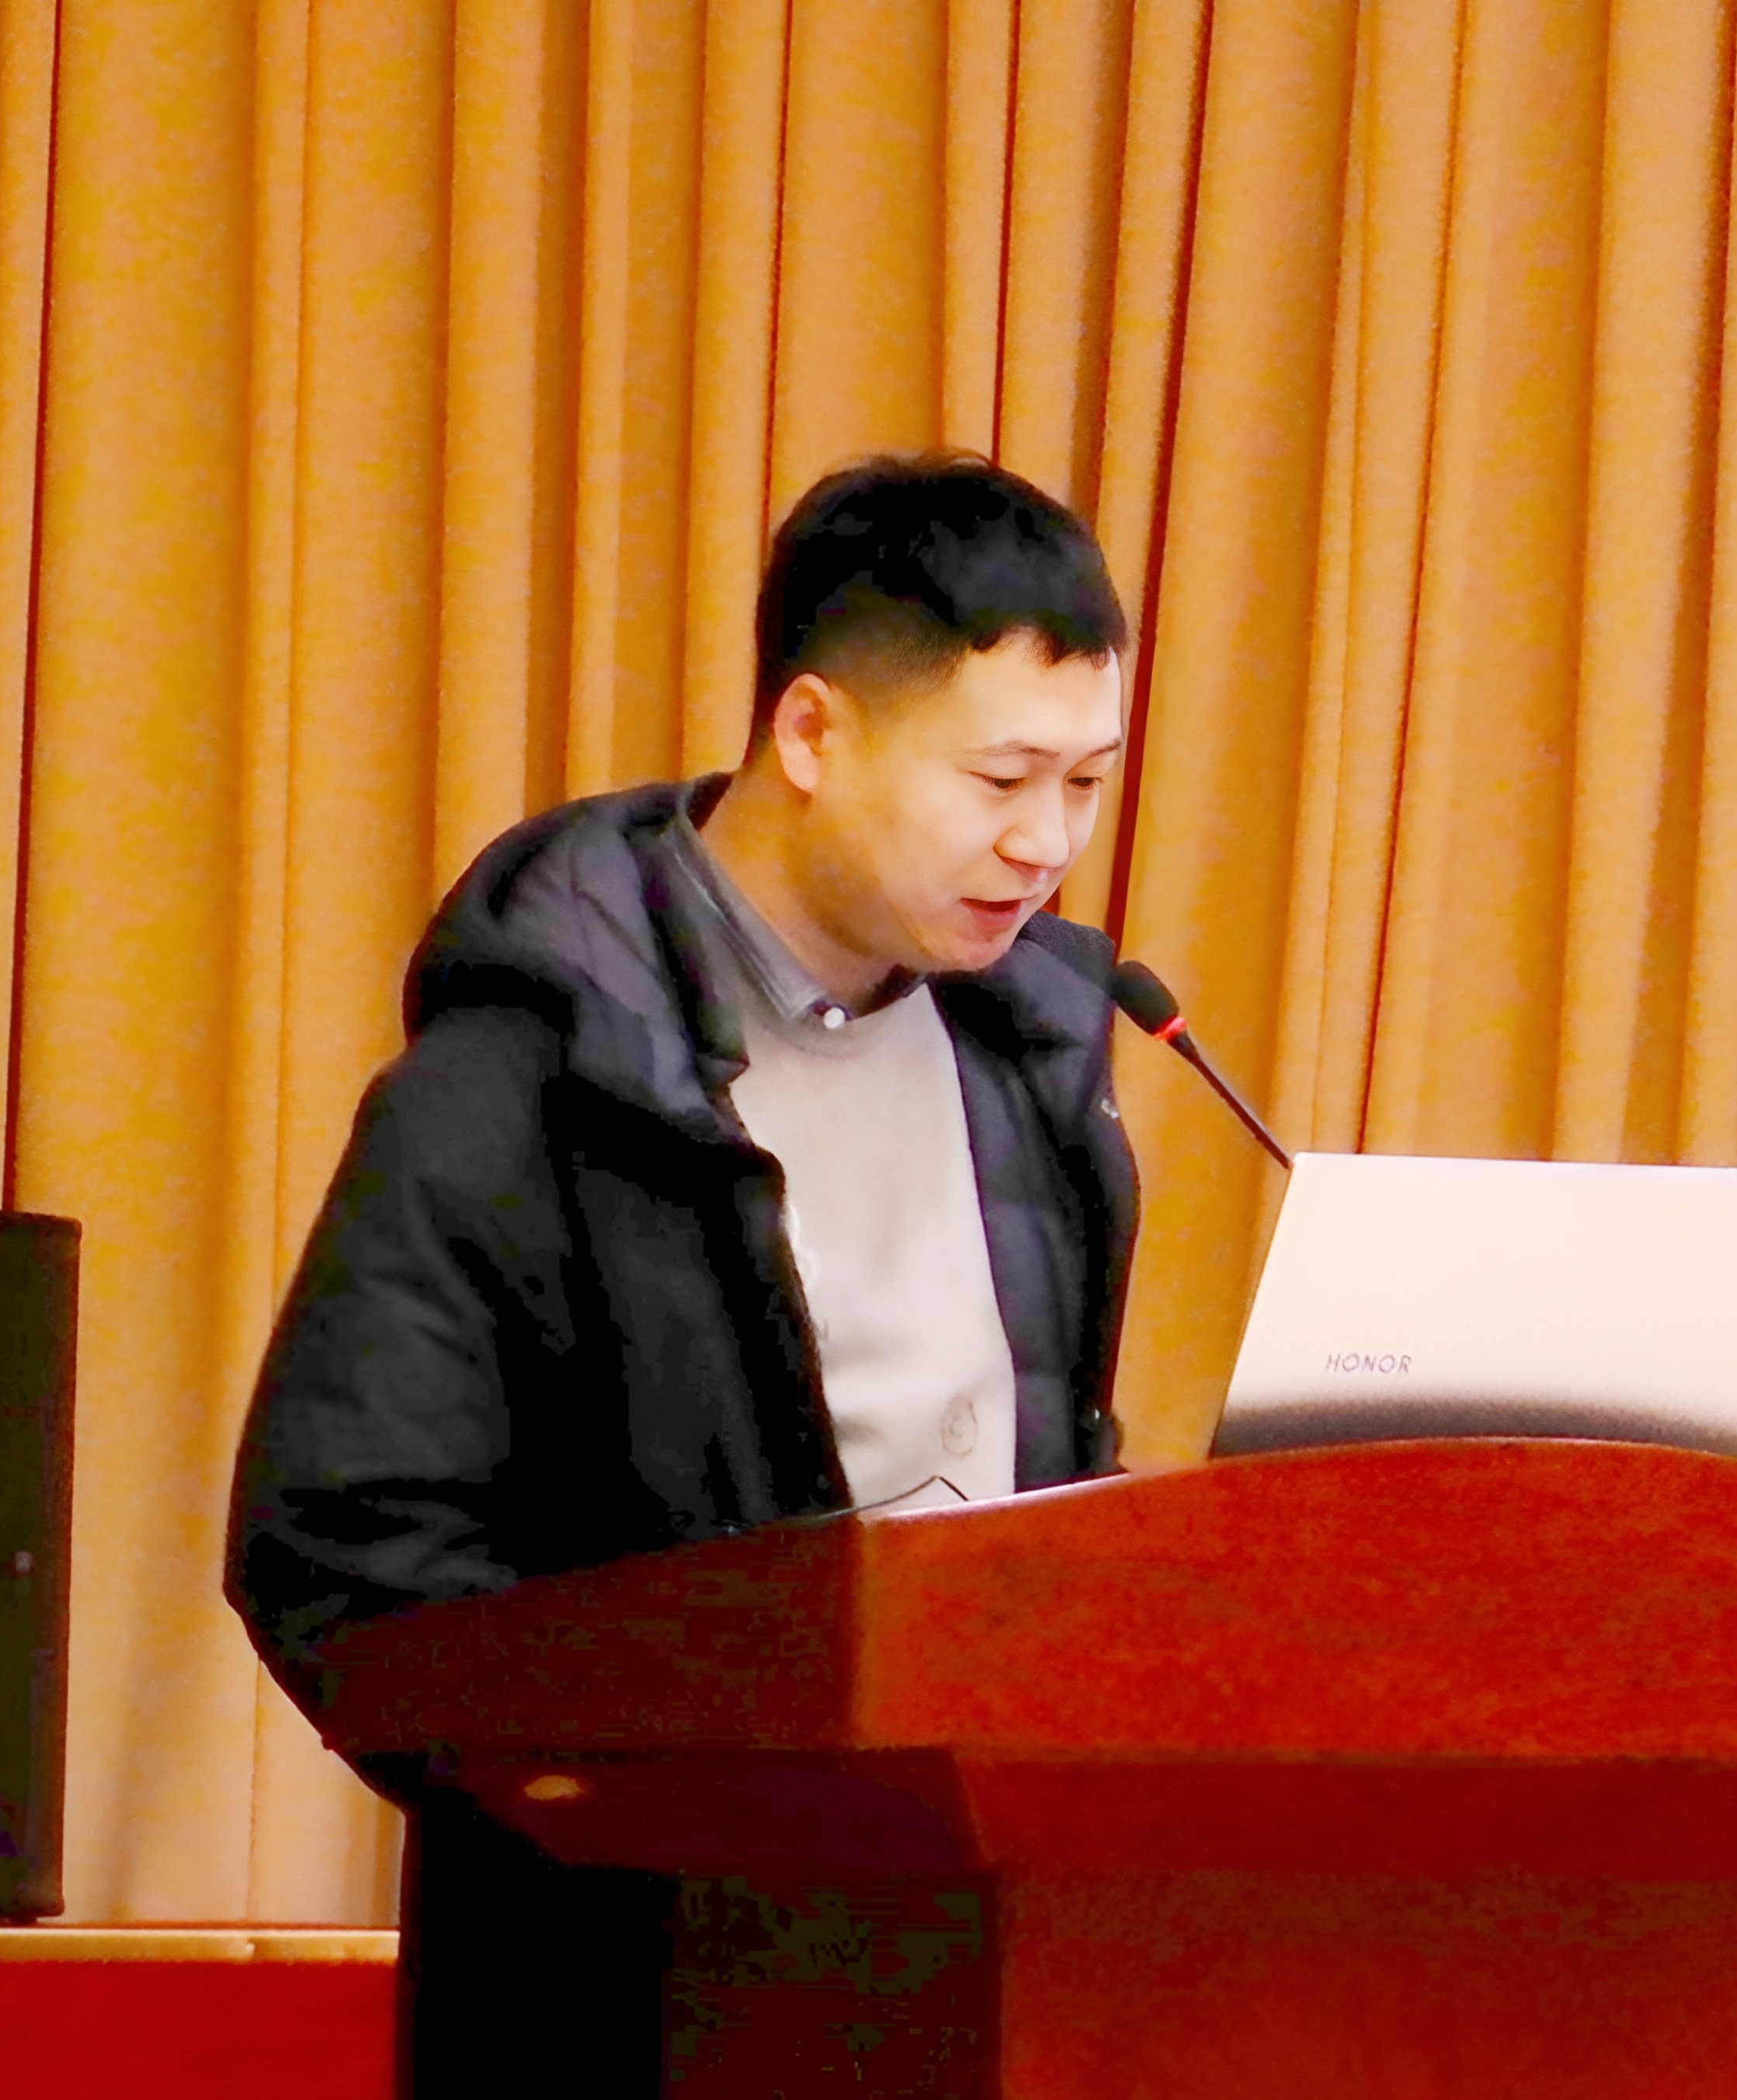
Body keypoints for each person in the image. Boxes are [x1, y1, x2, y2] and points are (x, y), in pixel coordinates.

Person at [225, 453, 1141, 2095]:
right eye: (1000, 777)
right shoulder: (527, 1075)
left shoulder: (1036, 1067)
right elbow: (342, 1547)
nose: (1044, 843)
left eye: (1085, 782)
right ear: (812, 733)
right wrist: (673, 1804)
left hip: (984, 1980)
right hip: (626, 1989)